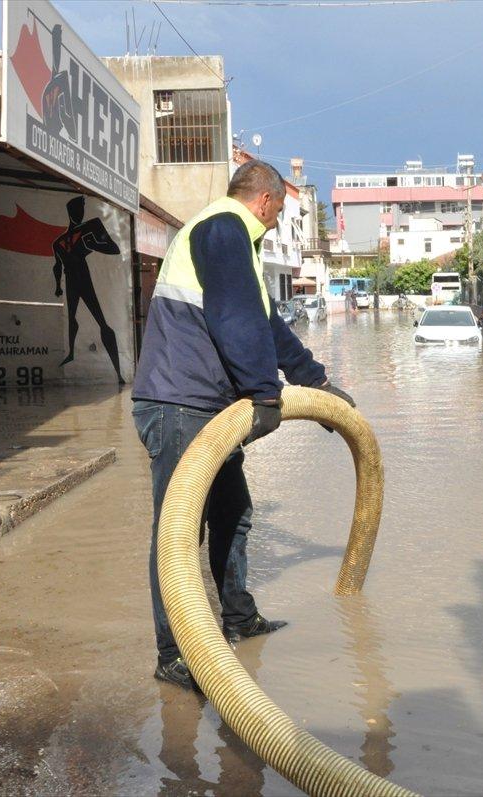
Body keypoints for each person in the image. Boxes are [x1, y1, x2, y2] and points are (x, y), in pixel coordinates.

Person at [131, 160, 354, 691]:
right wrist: (265, 392)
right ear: (266, 200)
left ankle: (238, 617)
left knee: (234, 513)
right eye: (280, 212)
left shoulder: (237, 242)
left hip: (211, 408)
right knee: (179, 532)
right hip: (179, 403)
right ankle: (174, 654)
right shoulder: (224, 229)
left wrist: (316, 383)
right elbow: (234, 319)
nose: (277, 223)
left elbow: (266, 324)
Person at [52, 196, 125, 384]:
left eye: (82, 209)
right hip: (71, 280)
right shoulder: (59, 242)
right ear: (70, 212)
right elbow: (57, 265)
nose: (80, 212)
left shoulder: (91, 226)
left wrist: (93, 245)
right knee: (71, 318)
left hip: (84, 278)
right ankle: (71, 353)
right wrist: (58, 285)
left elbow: (114, 248)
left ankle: (118, 373)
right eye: (77, 209)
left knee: (101, 321)